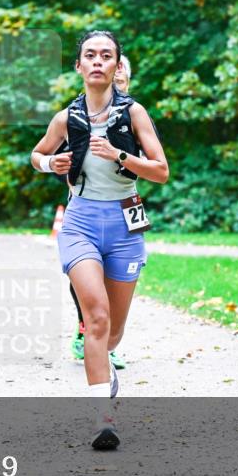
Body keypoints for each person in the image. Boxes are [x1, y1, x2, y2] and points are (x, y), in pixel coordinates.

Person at [31, 31, 168, 450]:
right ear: (78, 66)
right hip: (81, 223)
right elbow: (36, 155)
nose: (96, 62)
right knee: (96, 319)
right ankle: (102, 420)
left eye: (105, 56)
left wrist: (120, 155)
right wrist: (49, 163)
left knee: (113, 333)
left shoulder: (134, 113)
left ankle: (104, 364)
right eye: (89, 55)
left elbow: (161, 170)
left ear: (116, 66)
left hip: (126, 225)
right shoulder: (65, 118)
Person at [69, 53, 134, 368]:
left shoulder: (132, 115)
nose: (117, 81)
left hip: (126, 206)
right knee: (87, 271)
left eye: (122, 77)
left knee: (118, 277)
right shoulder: (77, 115)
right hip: (85, 205)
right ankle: (87, 330)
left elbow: (154, 165)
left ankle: (108, 339)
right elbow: (62, 158)